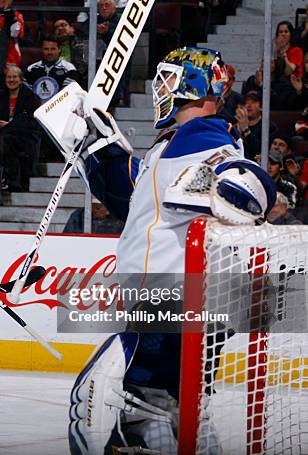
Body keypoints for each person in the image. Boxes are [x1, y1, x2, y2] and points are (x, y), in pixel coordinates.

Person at [59, 47, 276, 453]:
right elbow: (138, 200)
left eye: (170, 79)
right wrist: (96, 146)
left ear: (194, 86)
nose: (160, 87)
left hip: (173, 304)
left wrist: (238, 186)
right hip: (180, 304)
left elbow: (240, 179)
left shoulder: (206, 137)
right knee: (179, 413)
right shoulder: (175, 143)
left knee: (107, 403)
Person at [0, 65, 41, 191]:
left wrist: (9, 125)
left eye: (14, 77)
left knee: (7, 141)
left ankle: (11, 180)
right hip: (1, 134)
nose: (11, 80)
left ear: (21, 79)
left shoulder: (31, 98)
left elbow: (32, 123)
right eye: (9, 77)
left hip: (24, 137)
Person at [25, 35, 80, 102]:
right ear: (42, 49)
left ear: (59, 49)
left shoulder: (69, 68)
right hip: (36, 108)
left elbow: (67, 95)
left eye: (53, 49)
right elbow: (27, 94)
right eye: (46, 49)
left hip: (59, 108)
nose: (49, 52)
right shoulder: (31, 69)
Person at [235, 90, 278, 162]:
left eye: (253, 102)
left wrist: (246, 130)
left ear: (261, 107)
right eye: (246, 102)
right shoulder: (234, 125)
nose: (248, 105)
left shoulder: (269, 127)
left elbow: (258, 151)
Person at [53, 18, 88, 84]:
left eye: (63, 25)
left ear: (72, 29)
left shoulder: (83, 44)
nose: (60, 28)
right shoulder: (51, 47)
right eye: (56, 27)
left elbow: (85, 69)